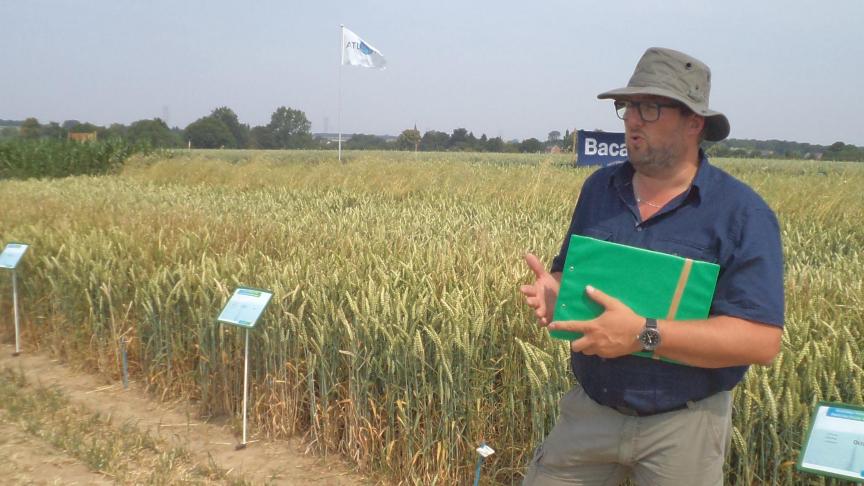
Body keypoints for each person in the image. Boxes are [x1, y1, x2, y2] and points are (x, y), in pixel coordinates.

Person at [519, 47, 785, 485]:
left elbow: (761, 341)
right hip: (590, 411)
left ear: (694, 123)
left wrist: (642, 334)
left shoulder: (741, 214)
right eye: (627, 107)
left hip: (684, 428)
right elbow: (572, 274)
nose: (631, 120)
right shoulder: (600, 190)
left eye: (650, 107)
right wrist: (558, 293)